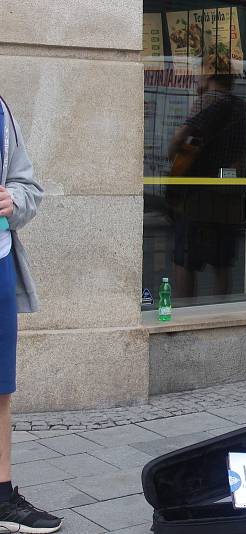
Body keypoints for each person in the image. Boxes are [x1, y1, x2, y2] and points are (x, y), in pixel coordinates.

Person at [0, 97, 62, 532]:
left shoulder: (1, 111)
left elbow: (28, 187)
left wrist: (12, 200)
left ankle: (1, 499)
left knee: (0, 390)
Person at [167, 74, 246, 299]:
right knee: (222, 262)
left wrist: (173, 151)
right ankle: (219, 312)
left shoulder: (208, 101)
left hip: (198, 195)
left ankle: (185, 313)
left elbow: (178, 140)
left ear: (209, 76)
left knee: (186, 258)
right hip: (229, 196)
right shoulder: (242, 106)